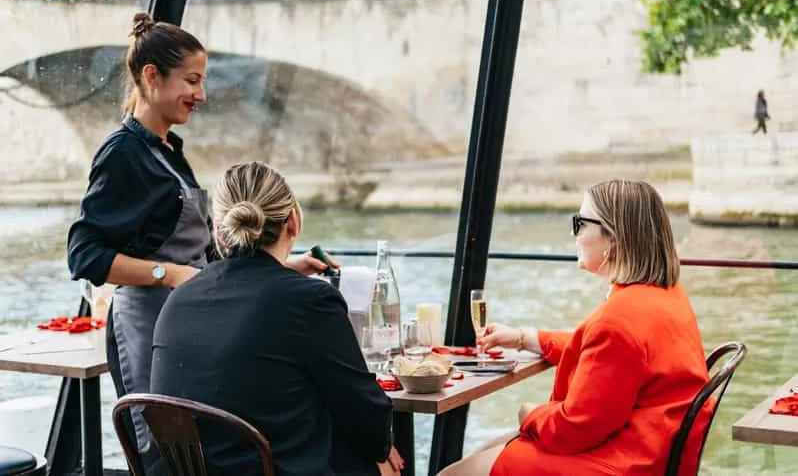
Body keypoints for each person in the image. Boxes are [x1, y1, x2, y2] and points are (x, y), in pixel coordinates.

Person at [66, 13, 332, 471]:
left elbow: (206, 258)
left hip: (189, 321)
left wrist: (285, 267)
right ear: (151, 77)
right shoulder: (122, 153)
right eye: (191, 80)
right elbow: (84, 254)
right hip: (146, 328)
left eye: (202, 80)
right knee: (164, 455)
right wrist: (167, 274)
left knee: (200, 450)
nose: (201, 94)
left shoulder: (169, 149)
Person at [439, 180, 711, 476]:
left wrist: (530, 414)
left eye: (580, 223)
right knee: (485, 453)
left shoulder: (620, 318)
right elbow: (606, 354)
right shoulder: (664, 296)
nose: (573, 233)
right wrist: (523, 338)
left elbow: (575, 428)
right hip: (653, 453)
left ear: (613, 236)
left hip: (622, 464)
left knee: (453, 474)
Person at [150, 161, 402, 476]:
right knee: (382, 461)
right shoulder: (310, 301)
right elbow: (369, 415)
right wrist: (380, 447)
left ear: (218, 231)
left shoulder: (179, 298)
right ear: (293, 221)